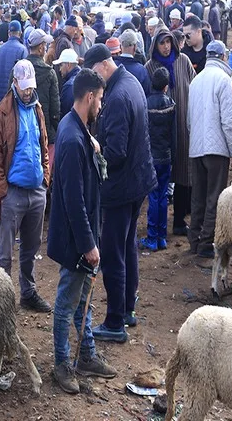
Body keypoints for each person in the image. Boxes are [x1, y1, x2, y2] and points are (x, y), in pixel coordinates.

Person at [83, 44, 156, 342]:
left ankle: (115, 322)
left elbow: (116, 151)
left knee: (113, 253)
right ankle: (127, 309)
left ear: (102, 66)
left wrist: (95, 148)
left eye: (92, 73)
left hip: (121, 186)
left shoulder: (115, 98)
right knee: (127, 246)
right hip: (138, 182)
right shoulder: (132, 82)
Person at [0, 59, 51, 313]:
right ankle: (2, 298)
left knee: (30, 249)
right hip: (12, 192)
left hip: (36, 191)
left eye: (30, 86)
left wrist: (45, 178)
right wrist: (3, 191)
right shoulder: (1, 113)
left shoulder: (37, 109)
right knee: (4, 253)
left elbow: (43, 145)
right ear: (14, 83)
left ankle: (28, 292)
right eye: (24, 87)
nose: (28, 91)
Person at [186, 41, 232, 258]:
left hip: (196, 147)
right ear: (222, 57)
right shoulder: (224, 80)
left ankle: (194, 239)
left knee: (198, 195)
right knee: (214, 196)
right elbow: (228, 121)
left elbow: (189, 120)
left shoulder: (196, 81)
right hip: (217, 149)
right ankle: (207, 244)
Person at [145, 28, 195, 236]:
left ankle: (179, 220)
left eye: (168, 42)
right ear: (155, 45)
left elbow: (193, 85)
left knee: (184, 172)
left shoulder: (183, 61)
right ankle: (157, 227)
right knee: (159, 184)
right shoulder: (150, 67)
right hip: (160, 134)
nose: (166, 47)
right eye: (161, 43)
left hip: (183, 127)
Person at [140, 68, 175, 252]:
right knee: (163, 197)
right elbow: (174, 134)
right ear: (166, 87)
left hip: (151, 158)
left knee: (153, 197)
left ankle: (152, 237)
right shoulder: (170, 103)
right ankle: (161, 237)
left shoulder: (146, 104)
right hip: (166, 157)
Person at [24, 29, 59, 170]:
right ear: (40, 47)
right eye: (45, 45)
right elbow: (55, 109)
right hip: (44, 130)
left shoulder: (19, 69)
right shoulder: (50, 73)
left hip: (23, 128)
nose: (46, 48)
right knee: (44, 169)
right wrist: (53, 130)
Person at [0, 21, 26, 110]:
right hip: (11, 102)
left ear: (9, 33)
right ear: (20, 33)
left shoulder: (0, 49)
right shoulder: (22, 50)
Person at [117, 30, 150, 96]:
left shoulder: (112, 66)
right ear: (135, 47)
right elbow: (147, 94)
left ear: (120, 47)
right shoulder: (141, 71)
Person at [53, 48, 80, 119]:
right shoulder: (82, 77)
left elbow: (64, 113)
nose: (59, 69)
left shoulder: (69, 86)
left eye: (61, 65)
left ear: (68, 65)